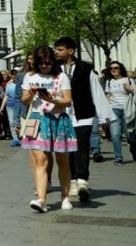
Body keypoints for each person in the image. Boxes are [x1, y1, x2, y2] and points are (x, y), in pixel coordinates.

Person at [20, 45, 77, 212]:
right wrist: (31, 93)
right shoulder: (29, 77)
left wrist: (52, 99)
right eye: (41, 63)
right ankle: (41, 199)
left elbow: (68, 101)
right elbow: (24, 100)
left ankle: (65, 196)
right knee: (40, 160)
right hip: (37, 119)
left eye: (48, 62)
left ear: (53, 61)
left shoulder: (61, 77)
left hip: (58, 119)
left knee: (62, 161)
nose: (44, 66)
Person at [55, 36, 112, 203]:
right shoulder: (54, 68)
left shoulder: (86, 69)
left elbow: (96, 92)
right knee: (67, 149)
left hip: (83, 115)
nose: (56, 52)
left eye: (60, 49)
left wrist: (104, 117)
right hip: (62, 115)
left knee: (82, 147)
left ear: (71, 51)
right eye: (56, 49)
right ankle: (72, 180)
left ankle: (82, 181)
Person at [103, 62, 133, 164]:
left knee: (130, 135)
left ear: (121, 69)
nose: (113, 70)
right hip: (114, 110)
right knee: (115, 135)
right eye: (111, 68)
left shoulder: (129, 80)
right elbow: (108, 95)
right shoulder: (109, 82)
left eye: (116, 68)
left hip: (127, 110)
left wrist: (130, 89)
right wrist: (106, 110)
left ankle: (134, 152)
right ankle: (118, 158)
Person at [3, 66, 26, 148]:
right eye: (12, 75)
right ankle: (15, 139)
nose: (13, 76)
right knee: (12, 122)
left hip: (22, 104)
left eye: (15, 74)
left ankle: (23, 138)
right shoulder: (8, 84)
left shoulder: (23, 83)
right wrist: (1, 107)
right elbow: (6, 96)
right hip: (10, 105)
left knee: (22, 120)